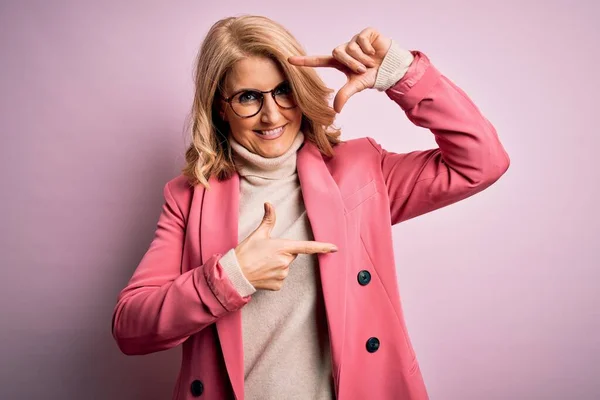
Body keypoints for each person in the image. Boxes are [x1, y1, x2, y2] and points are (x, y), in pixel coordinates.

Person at [111, 14, 510, 400]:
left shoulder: (361, 172)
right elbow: (131, 328)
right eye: (248, 97)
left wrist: (401, 74)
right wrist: (231, 276)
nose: (271, 114)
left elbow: (482, 163)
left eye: (284, 89)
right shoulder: (189, 197)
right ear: (219, 106)